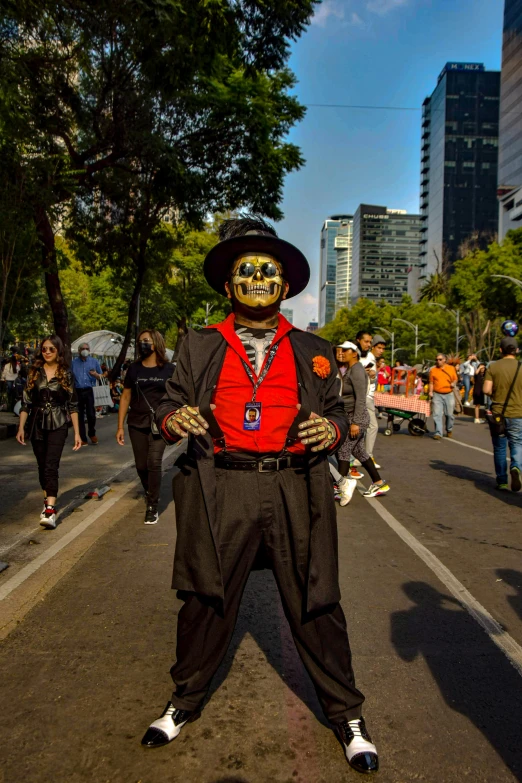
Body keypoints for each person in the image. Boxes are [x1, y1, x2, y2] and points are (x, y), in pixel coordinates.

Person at [141, 216, 379, 774]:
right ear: (227, 286)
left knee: (316, 599)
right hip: (221, 483)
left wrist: (336, 431)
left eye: (266, 270)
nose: (255, 276)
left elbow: (343, 416)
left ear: (285, 285)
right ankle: (184, 700)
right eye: (242, 269)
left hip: (295, 484)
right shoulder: (198, 344)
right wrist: (177, 418)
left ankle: (347, 715)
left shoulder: (315, 350)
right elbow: (166, 407)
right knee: (204, 597)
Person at [16, 335, 82, 529]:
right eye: (44, 349)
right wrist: (21, 427)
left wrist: (77, 433)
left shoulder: (66, 374)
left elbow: (73, 405)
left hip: (58, 422)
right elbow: (26, 402)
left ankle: (50, 511)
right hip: (36, 423)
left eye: (51, 349)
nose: (47, 352)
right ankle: (47, 502)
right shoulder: (34, 372)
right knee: (42, 465)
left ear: (58, 351)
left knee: (51, 465)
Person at [116, 329, 175, 524]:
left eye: (146, 341)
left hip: (160, 424)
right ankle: (150, 490)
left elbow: (177, 397)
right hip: (136, 422)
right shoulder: (134, 369)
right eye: (140, 341)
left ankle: (152, 505)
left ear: (156, 342)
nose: (143, 344)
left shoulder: (169, 370)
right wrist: (120, 426)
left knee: (154, 462)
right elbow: (125, 396)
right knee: (141, 465)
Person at [336, 340, 390, 503]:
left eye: (345, 351)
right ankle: (379, 483)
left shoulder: (357, 370)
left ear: (354, 353)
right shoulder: (351, 369)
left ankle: (341, 487)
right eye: (341, 351)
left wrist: (356, 423)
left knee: (343, 451)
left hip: (356, 417)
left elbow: (360, 399)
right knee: (359, 452)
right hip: (352, 416)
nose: (342, 353)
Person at [483, 337, 522, 492]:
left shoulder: (493, 367)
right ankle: (516, 467)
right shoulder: (521, 367)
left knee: (499, 447)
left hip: (498, 413)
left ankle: (502, 481)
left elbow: (486, 390)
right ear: (517, 351)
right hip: (518, 413)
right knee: (517, 443)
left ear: (500, 350)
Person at [356, 331, 380, 470]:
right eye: (366, 341)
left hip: (368, 395)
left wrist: (372, 374)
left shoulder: (370, 356)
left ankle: (365, 456)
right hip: (357, 395)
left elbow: (373, 377)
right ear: (358, 340)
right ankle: (361, 457)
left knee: (370, 426)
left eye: (370, 342)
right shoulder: (352, 354)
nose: (368, 344)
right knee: (363, 426)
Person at [71, 342, 103, 445]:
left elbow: (101, 376)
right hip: (78, 390)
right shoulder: (74, 363)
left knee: (91, 414)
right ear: (79, 350)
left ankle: (92, 433)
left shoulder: (94, 361)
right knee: (79, 415)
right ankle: (82, 438)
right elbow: (70, 377)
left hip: (89, 390)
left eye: (87, 348)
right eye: (83, 348)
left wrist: (96, 375)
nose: (85, 350)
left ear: (89, 350)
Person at [429, 353, 458, 440]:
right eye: (437, 359)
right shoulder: (433, 370)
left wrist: (454, 383)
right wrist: (430, 391)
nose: (438, 361)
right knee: (437, 414)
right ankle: (438, 433)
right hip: (437, 394)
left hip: (449, 393)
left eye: (440, 359)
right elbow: (431, 382)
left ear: (445, 360)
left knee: (449, 414)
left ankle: (449, 429)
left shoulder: (451, 368)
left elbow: (455, 378)